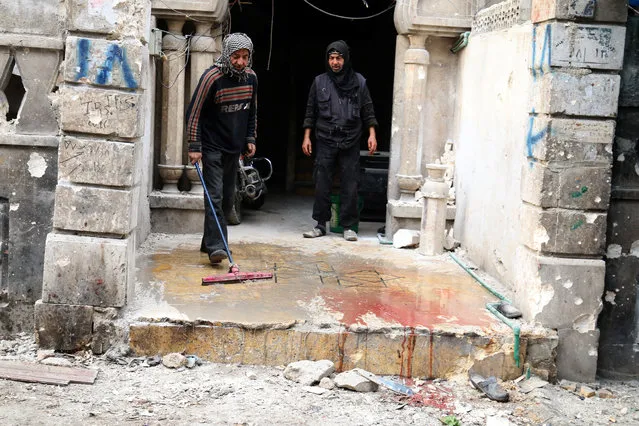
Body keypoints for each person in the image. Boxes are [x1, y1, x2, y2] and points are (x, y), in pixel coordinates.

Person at [186, 33, 258, 265]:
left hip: (233, 148)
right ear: (227, 55)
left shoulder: (251, 78)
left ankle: (208, 241)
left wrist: (250, 138)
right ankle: (218, 248)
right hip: (212, 146)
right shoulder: (212, 77)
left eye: (245, 57)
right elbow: (194, 112)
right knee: (214, 196)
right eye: (236, 56)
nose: (240, 62)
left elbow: (252, 112)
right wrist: (194, 145)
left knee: (228, 200)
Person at [301, 40, 378, 242]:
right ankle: (319, 225)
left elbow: (368, 110)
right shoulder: (319, 82)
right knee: (322, 182)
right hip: (325, 137)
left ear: (346, 59)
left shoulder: (359, 82)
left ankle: (348, 226)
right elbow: (310, 111)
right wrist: (307, 137)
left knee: (350, 183)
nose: (335, 62)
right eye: (332, 58)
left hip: (351, 139)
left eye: (339, 58)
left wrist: (372, 134)